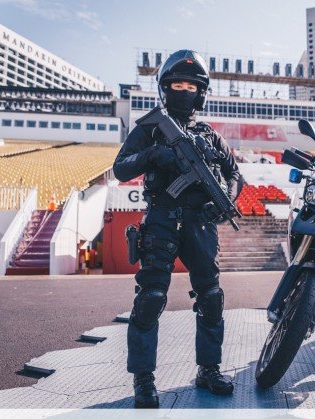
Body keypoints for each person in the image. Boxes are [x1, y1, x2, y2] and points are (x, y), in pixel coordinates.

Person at [113, 50, 241, 408]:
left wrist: (226, 197)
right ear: (165, 89)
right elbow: (120, 168)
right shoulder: (150, 128)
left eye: (191, 85)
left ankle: (209, 370)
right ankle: (144, 380)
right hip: (162, 219)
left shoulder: (212, 137)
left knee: (211, 298)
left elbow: (235, 176)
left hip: (201, 223)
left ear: (200, 92)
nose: (184, 90)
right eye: (177, 85)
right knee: (151, 298)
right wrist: (153, 154)